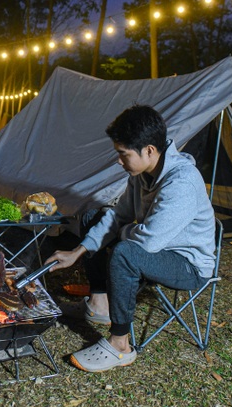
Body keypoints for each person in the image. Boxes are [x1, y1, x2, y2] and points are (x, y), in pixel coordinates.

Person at [45, 104, 216, 372]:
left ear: (149, 150)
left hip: (188, 264)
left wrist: (121, 234)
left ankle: (120, 346)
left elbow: (147, 242)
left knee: (126, 251)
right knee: (93, 216)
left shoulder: (181, 182)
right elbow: (117, 216)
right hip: (158, 247)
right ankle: (99, 303)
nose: (118, 161)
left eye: (123, 154)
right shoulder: (142, 173)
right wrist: (77, 251)